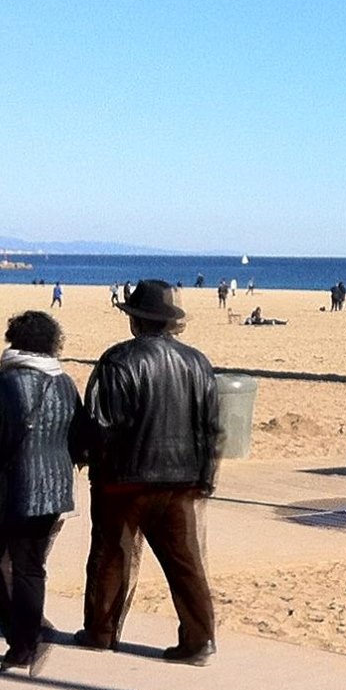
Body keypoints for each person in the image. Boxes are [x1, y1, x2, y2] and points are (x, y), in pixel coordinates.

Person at [70, 280, 222, 665]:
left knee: (110, 557)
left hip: (124, 481)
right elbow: (210, 428)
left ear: (136, 321)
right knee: (185, 564)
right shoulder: (197, 362)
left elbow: (102, 422)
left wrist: (91, 460)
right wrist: (205, 477)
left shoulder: (118, 360)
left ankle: (102, 632)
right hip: (181, 480)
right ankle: (199, 640)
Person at [0, 311, 81, 673]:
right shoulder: (64, 383)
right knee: (29, 566)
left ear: (13, 339)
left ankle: (23, 640)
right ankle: (27, 640)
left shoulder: (1, 381)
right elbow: (79, 438)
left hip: (5, 489)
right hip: (52, 489)